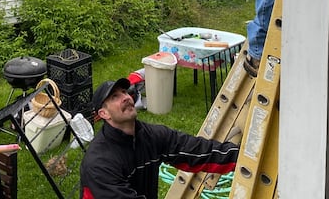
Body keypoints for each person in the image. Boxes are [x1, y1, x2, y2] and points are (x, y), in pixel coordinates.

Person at [80, 79, 239, 199]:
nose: (126, 97)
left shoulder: (150, 136)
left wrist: (242, 157)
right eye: (115, 96)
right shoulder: (99, 163)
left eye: (124, 92)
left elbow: (196, 151)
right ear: (103, 114)